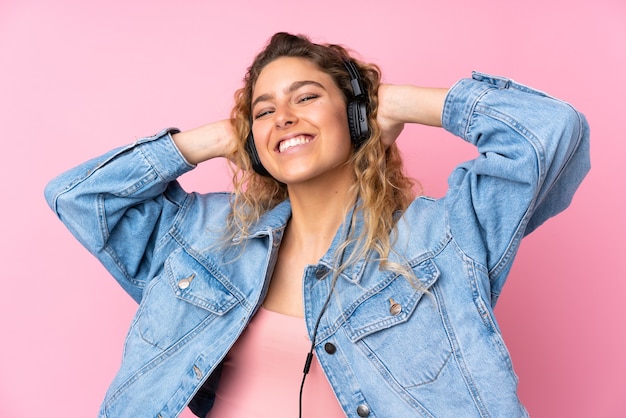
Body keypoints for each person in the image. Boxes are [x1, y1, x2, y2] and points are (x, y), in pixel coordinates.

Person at [44, 32, 590, 418]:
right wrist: (214, 141)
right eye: (263, 111)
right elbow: (79, 196)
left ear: (356, 116)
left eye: (307, 98)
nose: (283, 116)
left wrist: (393, 102)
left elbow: (550, 133)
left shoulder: (443, 239)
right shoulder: (205, 236)